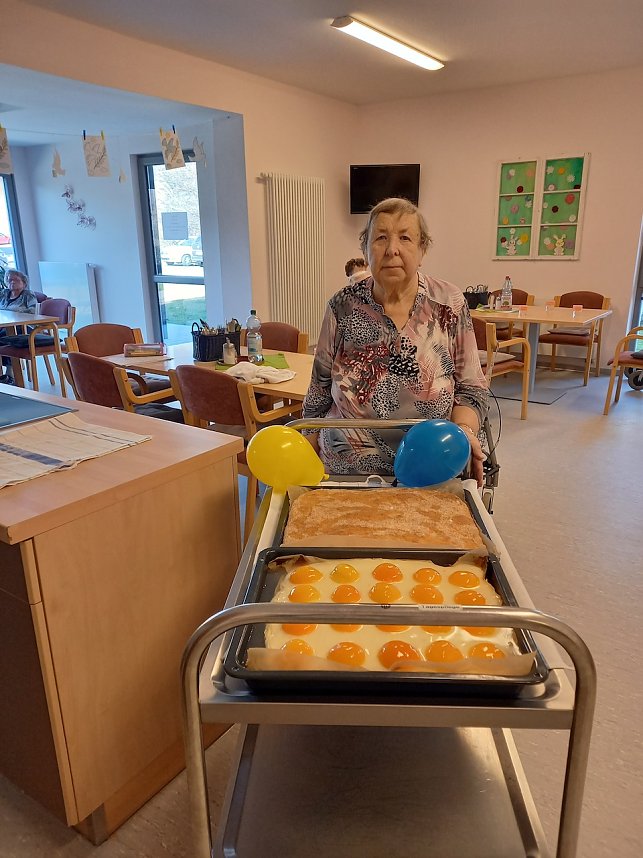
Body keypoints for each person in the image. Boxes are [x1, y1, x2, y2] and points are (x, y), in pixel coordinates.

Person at [303, 197, 489, 484]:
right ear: (365, 249)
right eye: (380, 238)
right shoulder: (342, 306)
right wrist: (307, 441)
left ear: (422, 249)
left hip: (432, 458)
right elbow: (319, 387)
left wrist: (464, 430)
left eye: (405, 237)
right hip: (348, 461)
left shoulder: (448, 302)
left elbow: (471, 389)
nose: (392, 249)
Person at [0, 269, 37, 384]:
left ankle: (11, 373)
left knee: (4, 338)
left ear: (24, 283)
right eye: (10, 280)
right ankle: (2, 375)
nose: (12, 282)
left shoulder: (28, 294)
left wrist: (15, 312)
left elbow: (33, 311)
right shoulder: (5, 293)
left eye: (16, 280)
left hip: (25, 327)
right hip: (6, 326)